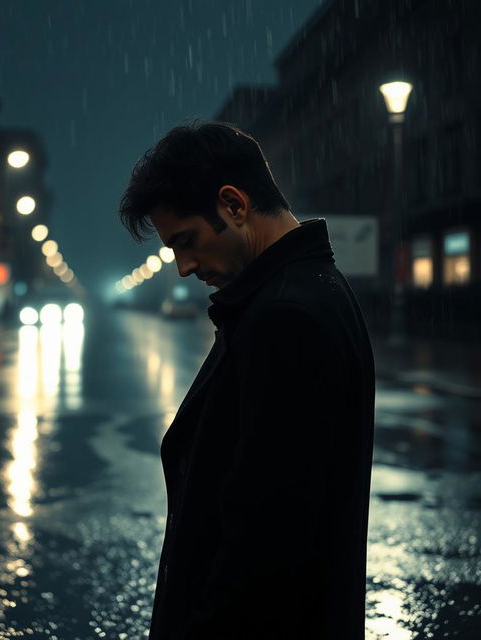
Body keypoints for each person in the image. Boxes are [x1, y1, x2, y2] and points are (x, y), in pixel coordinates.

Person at [119, 121, 375, 640]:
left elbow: (264, 550)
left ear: (234, 205)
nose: (184, 267)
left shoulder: (287, 317)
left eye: (185, 241)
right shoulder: (304, 290)